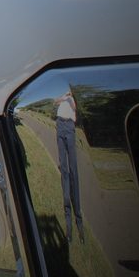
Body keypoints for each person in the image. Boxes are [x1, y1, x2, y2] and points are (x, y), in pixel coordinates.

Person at [54, 88, 84, 245]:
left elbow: (74, 109)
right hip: (59, 125)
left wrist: (71, 97)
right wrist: (64, 95)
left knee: (74, 171)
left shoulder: (74, 99)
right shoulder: (64, 95)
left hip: (69, 127)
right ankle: (68, 224)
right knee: (64, 171)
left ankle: (79, 221)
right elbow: (55, 102)